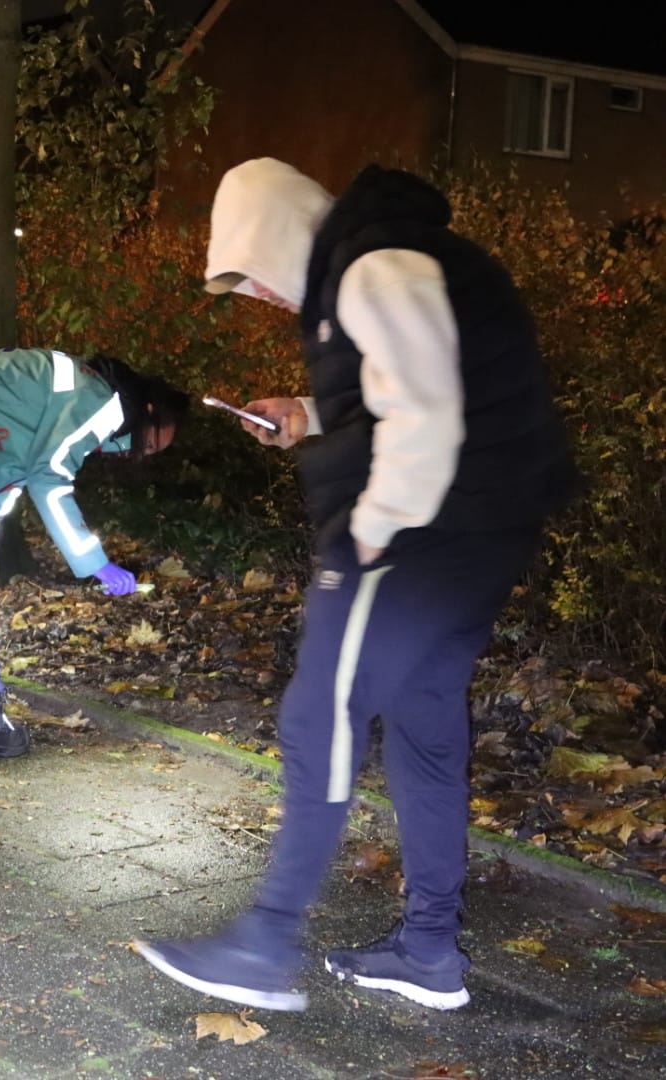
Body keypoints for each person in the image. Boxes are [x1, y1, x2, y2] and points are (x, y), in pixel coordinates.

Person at [135, 159, 575, 1012]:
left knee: (319, 717)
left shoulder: (373, 265)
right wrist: (308, 412)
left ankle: (261, 947)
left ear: (277, 232)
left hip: (420, 532)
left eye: (253, 273)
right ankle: (429, 952)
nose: (263, 296)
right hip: (479, 528)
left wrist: (375, 530)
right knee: (423, 732)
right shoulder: (390, 256)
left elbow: (427, 415)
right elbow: (423, 378)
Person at [0, 349, 186, 761]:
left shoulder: (62, 391)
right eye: (148, 443)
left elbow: (12, 472)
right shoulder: (102, 401)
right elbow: (49, 479)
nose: (139, 452)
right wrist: (96, 563)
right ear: (148, 411)